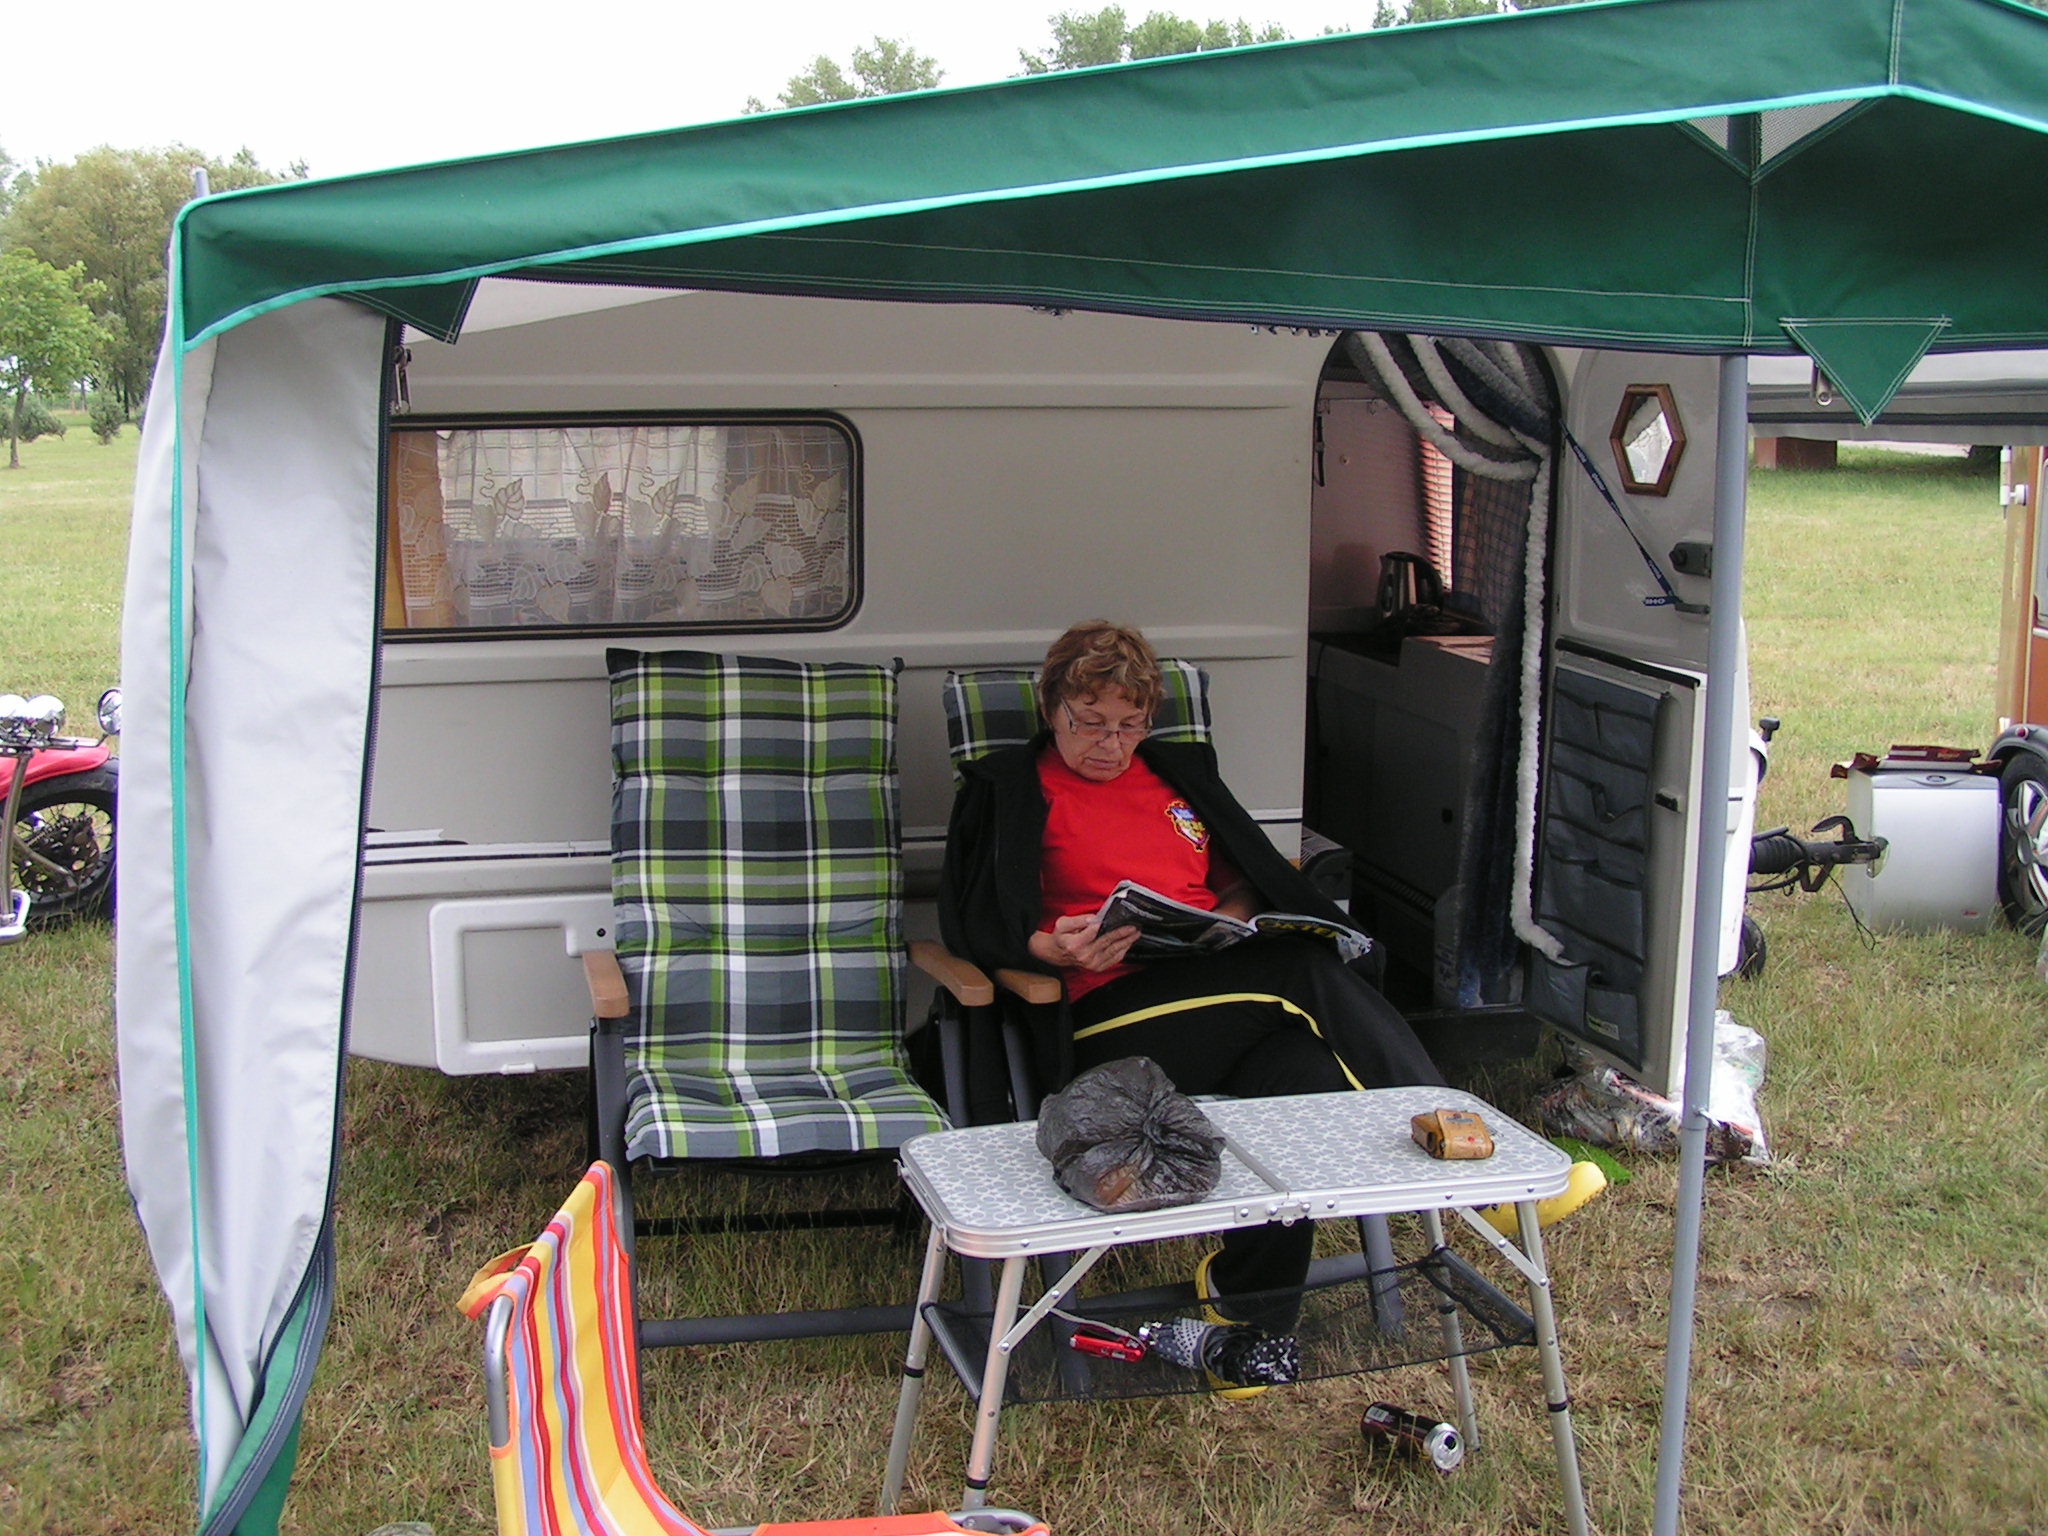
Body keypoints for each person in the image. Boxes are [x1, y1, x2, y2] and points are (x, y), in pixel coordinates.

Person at [940, 620, 1443, 1350]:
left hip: (1213, 992)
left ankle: (1246, 1311)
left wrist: (1229, 921)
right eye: (1090, 723)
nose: (1111, 744)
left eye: (1130, 725)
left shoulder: (1177, 773)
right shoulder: (1008, 787)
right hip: (1099, 1013)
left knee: (1302, 1072)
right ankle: (1457, 1134)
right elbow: (973, 916)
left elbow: (1242, 877)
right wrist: (1048, 947)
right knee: (1300, 973)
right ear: (1051, 710)